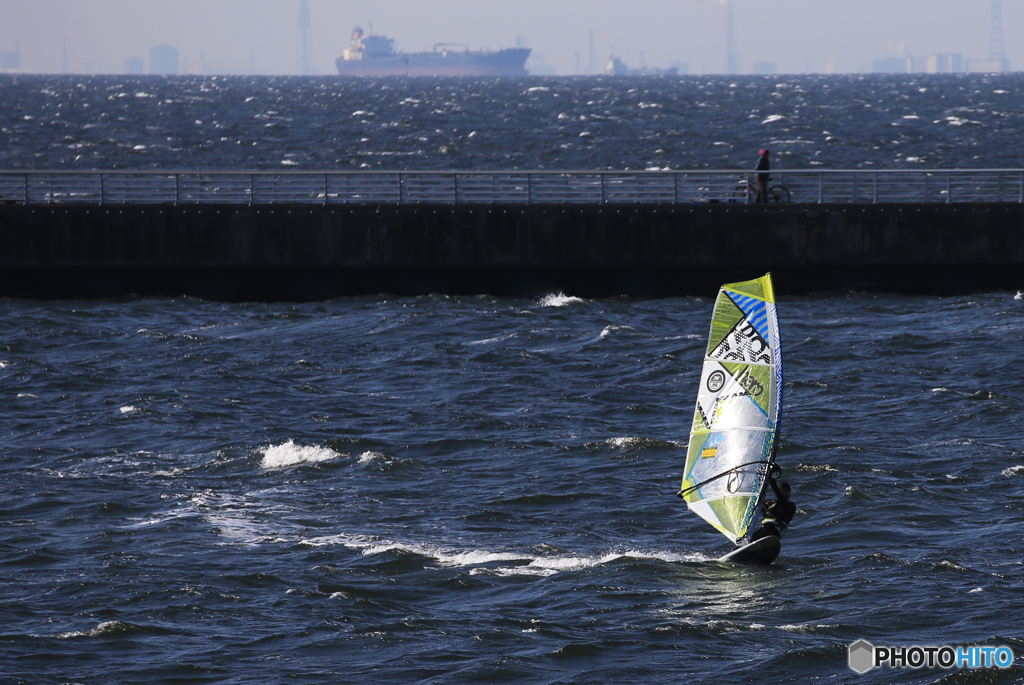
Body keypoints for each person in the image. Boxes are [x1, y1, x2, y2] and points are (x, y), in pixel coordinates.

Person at [749, 475, 794, 541]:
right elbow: (756, 504)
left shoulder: (791, 506)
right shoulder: (769, 504)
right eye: (784, 491)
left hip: (774, 534)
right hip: (763, 532)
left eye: (788, 491)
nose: (787, 494)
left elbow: (782, 500)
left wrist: (773, 484)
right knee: (747, 540)